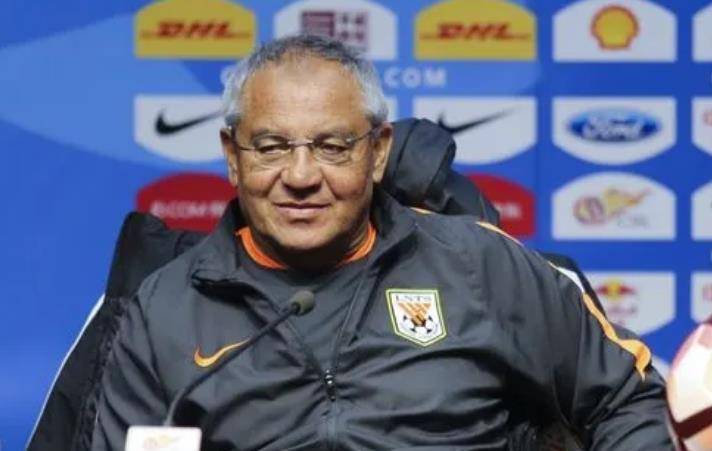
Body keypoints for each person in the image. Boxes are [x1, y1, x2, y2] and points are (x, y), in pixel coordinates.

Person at [91, 35, 673, 450]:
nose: (300, 176)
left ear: (376, 153)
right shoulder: (165, 307)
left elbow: (628, 399)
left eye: (333, 147)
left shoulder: (478, 263)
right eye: (270, 147)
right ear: (232, 157)